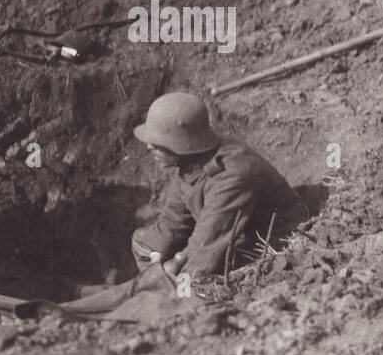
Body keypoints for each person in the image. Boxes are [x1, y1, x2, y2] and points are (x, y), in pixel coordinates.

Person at [130, 92, 306, 278]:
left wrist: (177, 266)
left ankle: (170, 301)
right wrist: (156, 253)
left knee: (188, 276)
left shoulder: (232, 174)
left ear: (181, 143)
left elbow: (208, 245)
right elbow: (173, 220)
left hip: (269, 242)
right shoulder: (190, 159)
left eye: (158, 143)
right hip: (223, 230)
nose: (149, 147)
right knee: (145, 244)